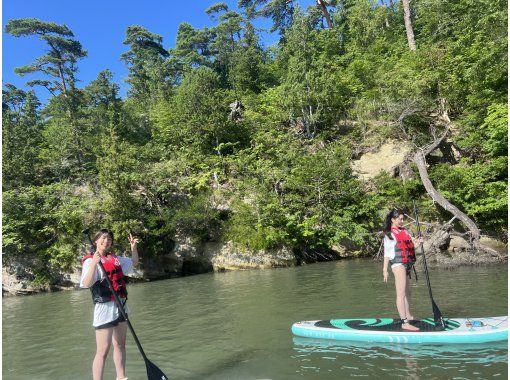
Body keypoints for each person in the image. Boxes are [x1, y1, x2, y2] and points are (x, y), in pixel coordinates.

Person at [80, 229, 139, 380]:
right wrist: (94, 262)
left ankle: (121, 377)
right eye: (103, 238)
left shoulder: (116, 259)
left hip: (121, 305)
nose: (106, 241)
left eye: (109, 239)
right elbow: (86, 284)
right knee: (103, 350)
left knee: (120, 344)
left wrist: (133, 248)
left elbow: (134, 263)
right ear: (95, 241)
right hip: (104, 308)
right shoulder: (89, 261)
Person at [382, 209, 422, 331]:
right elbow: (387, 254)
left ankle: (408, 316)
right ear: (393, 220)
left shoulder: (405, 232)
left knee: (408, 292)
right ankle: (404, 322)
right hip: (398, 265)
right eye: (399, 219)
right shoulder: (390, 235)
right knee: (401, 294)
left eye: (403, 219)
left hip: (407, 265)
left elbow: (411, 246)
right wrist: (385, 270)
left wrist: (419, 243)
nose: (402, 221)